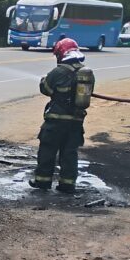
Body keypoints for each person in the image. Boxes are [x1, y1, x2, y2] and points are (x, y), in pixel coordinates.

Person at [30, 38, 93, 193]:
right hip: (76, 122)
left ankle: (42, 182)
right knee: (69, 153)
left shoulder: (58, 72)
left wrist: (45, 80)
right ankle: (67, 184)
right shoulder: (86, 73)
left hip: (55, 122)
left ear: (61, 54)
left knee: (47, 150)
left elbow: (46, 89)